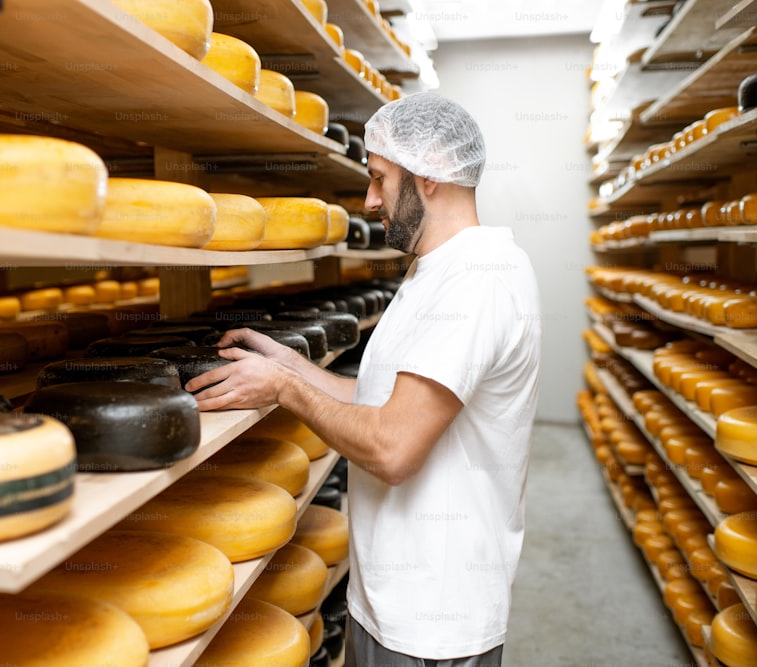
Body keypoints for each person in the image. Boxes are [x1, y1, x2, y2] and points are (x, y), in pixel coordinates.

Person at [186, 91, 542, 667]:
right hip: (387, 598)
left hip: (433, 619)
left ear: (429, 173)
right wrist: (289, 364)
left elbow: (392, 446)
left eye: (379, 178)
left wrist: (286, 390)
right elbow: (383, 404)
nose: (370, 199)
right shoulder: (436, 271)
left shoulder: (480, 279)